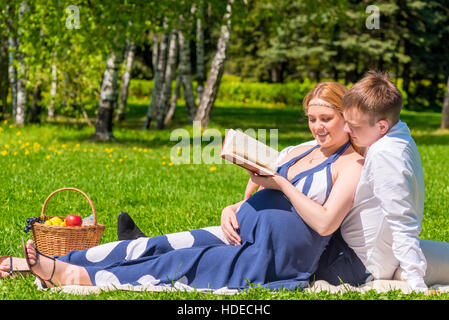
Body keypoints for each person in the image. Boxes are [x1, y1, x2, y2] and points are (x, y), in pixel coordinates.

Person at [2, 82, 365, 292]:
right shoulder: (304, 149)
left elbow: (324, 223)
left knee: (177, 262)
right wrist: (235, 209)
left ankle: (72, 276)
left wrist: (282, 184)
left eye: (326, 119)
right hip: (242, 234)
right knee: (154, 245)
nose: (317, 127)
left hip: (271, 257)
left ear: (347, 119)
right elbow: (260, 185)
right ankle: (47, 262)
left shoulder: (352, 164)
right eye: (312, 119)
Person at [231, 70, 429, 292]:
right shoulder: (395, 134)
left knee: (262, 263)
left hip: (354, 264)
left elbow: (402, 220)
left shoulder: (385, 155)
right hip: (348, 250)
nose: (346, 128)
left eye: (353, 125)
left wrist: (415, 282)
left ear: (381, 126)